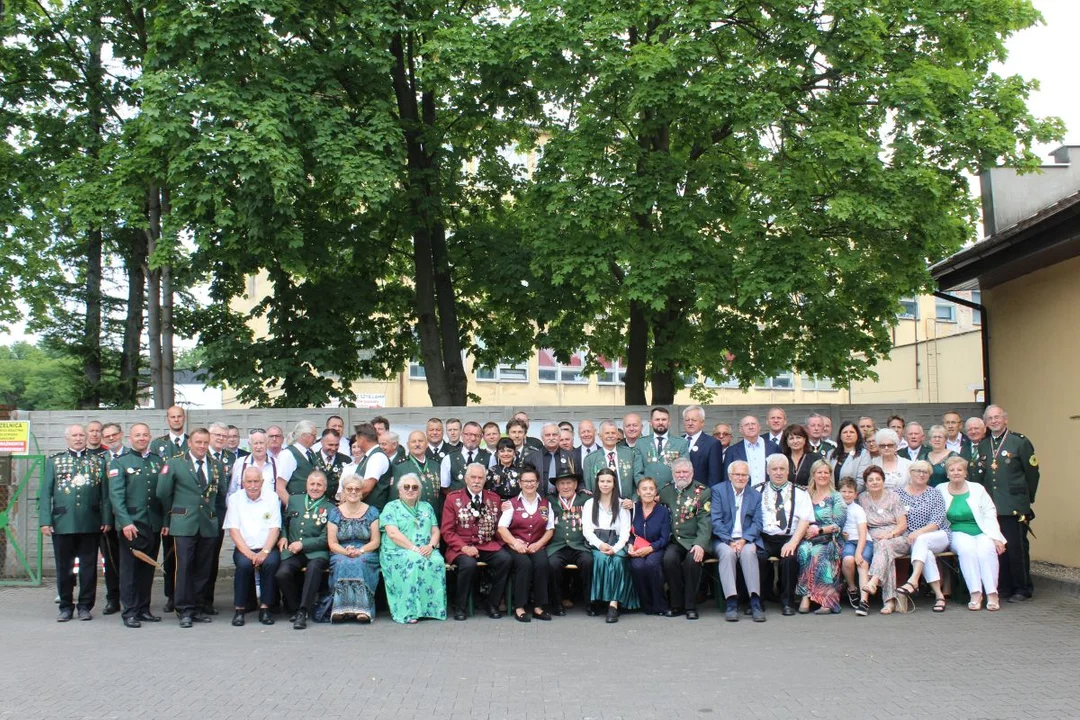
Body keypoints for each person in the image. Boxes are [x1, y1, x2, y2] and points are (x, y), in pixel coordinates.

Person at [157, 428, 227, 628]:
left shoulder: (216, 465)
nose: (202, 446)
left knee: (203, 569)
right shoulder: (175, 463)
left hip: (208, 523)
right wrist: (172, 515)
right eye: (198, 442)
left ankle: (196, 607)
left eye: (205, 442)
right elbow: (163, 493)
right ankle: (184, 609)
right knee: (185, 568)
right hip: (184, 523)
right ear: (190, 443)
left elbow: (220, 494)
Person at [40, 424, 110, 622]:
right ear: (67, 438)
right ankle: (65, 606)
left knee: (88, 568)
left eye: (82, 435)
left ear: (87, 437)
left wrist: (106, 519)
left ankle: (85, 606)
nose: (79, 438)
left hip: (90, 522)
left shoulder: (97, 461)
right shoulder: (55, 461)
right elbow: (45, 494)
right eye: (75, 435)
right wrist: (45, 520)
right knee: (64, 567)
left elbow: (105, 495)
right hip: (63, 523)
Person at [973, 404, 1038, 603]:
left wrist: (1026, 500)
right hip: (992, 507)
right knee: (998, 549)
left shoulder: (1020, 442)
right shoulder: (983, 445)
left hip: (1013, 505)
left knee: (1017, 549)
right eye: (990, 418)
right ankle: (1004, 587)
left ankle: (1023, 587)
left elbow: (1032, 474)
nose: (994, 421)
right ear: (986, 422)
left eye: (997, 417)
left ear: (1005, 419)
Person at [108, 423, 165, 628]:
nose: (141, 438)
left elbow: (163, 496)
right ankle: (130, 612)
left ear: (150, 437)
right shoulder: (120, 463)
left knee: (147, 569)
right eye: (137, 435)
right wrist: (125, 523)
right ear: (129, 438)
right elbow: (116, 497)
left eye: (145, 435)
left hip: (153, 524)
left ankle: (143, 609)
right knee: (129, 571)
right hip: (131, 526)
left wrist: (164, 522)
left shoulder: (158, 462)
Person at [441, 463, 512, 621]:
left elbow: (499, 526)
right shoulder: (453, 499)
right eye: (473, 477)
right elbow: (447, 531)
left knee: (505, 559)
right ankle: (460, 606)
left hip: (487, 544)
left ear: (485, 480)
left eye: (480, 478)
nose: (476, 481)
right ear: (466, 478)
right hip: (460, 546)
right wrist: (464, 547)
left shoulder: (494, 499)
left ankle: (492, 603)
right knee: (468, 565)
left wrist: (506, 544)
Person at [939, 456, 1006, 611]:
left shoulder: (977, 489)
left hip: (981, 530)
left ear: (965, 473)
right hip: (956, 531)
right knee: (967, 551)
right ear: (947, 474)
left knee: (986, 551)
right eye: (952, 470)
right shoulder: (940, 489)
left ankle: (992, 593)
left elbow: (990, 513)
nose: (956, 473)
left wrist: (996, 538)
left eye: (959, 469)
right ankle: (975, 593)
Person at [380, 474, 447, 624]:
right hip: (397, 550)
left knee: (437, 560)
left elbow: (435, 531)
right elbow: (392, 533)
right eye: (406, 487)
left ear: (419, 491)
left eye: (414, 487)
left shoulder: (427, 507)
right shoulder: (391, 507)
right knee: (414, 559)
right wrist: (414, 548)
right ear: (399, 490)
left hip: (425, 548)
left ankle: (432, 609)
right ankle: (409, 611)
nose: (410, 490)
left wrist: (430, 546)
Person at [223, 466, 281, 627]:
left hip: (267, 547)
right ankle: (239, 609)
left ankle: (265, 608)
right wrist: (248, 553)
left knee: (270, 563)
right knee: (243, 565)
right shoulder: (235, 499)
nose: (253, 485)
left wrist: (265, 551)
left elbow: (274, 528)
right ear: (243, 483)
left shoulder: (272, 497)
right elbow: (233, 530)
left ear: (262, 482)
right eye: (249, 481)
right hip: (245, 548)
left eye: (256, 481)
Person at [757, 454, 813, 616]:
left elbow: (805, 520)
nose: (778, 472)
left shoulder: (800, 493)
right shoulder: (757, 490)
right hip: (764, 537)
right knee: (757, 557)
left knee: (790, 559)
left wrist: (793, 542)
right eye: (774, 469)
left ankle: (787, 602)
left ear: (788, 471)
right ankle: (758, 601)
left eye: (782, 469)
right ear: (768, 471)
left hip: (789, 538)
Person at [497, 467, 555, 622]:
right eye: (525, 481)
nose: (529, 484)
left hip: (536, 544)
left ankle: (538, 606)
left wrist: (539, 544)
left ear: (537, 483)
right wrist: (515, 543)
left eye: (532, 481)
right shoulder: (511, 504)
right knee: (524, 565)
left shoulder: (545, 504)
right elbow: (502, 528)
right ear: (520, 483)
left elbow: (550, 529)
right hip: (515, 545)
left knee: (542, 563)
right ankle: (520, 606)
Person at [275, 471, 332, 630]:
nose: (315, 488)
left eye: (319, 485)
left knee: (313, 569)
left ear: (325, 488)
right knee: (282, 573)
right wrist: (284, 536)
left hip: (317, 552)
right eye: (312, 484)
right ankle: (294, 607)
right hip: (294, 551)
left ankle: (302, 611)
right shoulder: (295, 500)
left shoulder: (330, 507)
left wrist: (303, 544)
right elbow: (284, 522)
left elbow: (326, 538)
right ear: (306, 485)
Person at [710, 461, 766, 622]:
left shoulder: (755, 495)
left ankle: (755, 601)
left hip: (746, 539)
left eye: (744, 475)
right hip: (723, 539)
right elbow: (716, 520)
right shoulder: (718, 491)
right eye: (737, 474)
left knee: (749, 552)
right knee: (728, 554)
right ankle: (731, 602)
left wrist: (744, 540)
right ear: (730, 476)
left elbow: (757, 523)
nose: (741, 478)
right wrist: (729, 540)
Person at [582, 468, 638, 622]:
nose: (605, 484)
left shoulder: (621, 504)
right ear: (597, 483)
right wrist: (600, 545)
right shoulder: (589, 503)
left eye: (608, 481)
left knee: (618, 560)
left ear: (614, 484)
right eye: (602, 481)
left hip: (617, 541)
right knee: (601, 559)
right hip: (596, 541)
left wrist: (616, 548)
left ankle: (613, 604)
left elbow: (626, 530)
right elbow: (587, 530)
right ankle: (598, 600)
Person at [896, 460, 952, 613]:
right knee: (925, 553)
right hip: (913, 540)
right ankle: (939, 596)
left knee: (922, 541)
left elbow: (937, 522)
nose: (921, 474)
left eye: (925, 472)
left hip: (938, 535)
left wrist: (918, 532)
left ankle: (913, 579)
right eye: (918, 471)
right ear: (910, 473)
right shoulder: (898, 494)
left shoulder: (934, 493)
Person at [659, 458, 710, 619]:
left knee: (692, 562)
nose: (681, 475)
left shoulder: (702, 492)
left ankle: (690, 606)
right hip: (674, 541)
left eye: (685, 472)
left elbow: (705, 521)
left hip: (694, 540)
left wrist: (700, 544)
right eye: (678, 472)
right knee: (668, 560)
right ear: (673, 474)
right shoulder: (665, 491)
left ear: (692, 473)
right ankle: (676, 604)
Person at [327, 474, 381, 622]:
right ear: (343, 491)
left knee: (359, 562)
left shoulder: (372, 512)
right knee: (342, 562)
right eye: (349, 488)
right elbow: (332, 543)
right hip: (341, 550)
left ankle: (364, 610)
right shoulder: (335, 513)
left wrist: (360, 551)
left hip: (366, 550)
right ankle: (340, 609)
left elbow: (375, 541)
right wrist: (345, 552)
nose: (353, 492)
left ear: (362, 492)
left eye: (357, 489)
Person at [856, 465, 909, 616]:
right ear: (866, 483)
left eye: (878, 479)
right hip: (874, 540)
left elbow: (902, 524)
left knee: (885, 546)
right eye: (870, 480)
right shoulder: (862, 498)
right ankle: (889, 601)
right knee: (885, 552)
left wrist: (890, 534)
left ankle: (873, 582)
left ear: (883, 481)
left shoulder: (893, 497)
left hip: (897, 538)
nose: (874, 482)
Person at [796, 460, 847, 614]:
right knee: (803, 550)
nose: (823, 475)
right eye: (819, 472)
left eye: (826, 472)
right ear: (813, 474)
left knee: (818, 553)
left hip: (830, 539)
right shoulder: (806, 494)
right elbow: (798, 517)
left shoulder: (836, 497)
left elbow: (839, 524)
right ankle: (806, 595)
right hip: (808, 538)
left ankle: (826, 601)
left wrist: (819, 530)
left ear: (830, 475)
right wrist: (804, 531)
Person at [152, 405, 188, 613]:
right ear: (167, 420)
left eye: (179, 416)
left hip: (187, 507)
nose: (176, 420)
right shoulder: (158, 445)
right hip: (166, 508)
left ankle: (186, 594)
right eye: (172, 417)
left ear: (184, 418)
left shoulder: (193, 442)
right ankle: (171, 596)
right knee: (169, 555)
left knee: (186, 556)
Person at [547, 471, 594, 615]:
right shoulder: (549, 500)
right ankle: (557, 603)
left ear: (575, 485)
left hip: (580, 545)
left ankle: (590, 603)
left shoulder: (586, 499)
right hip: (557, 546)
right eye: (562, 483)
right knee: (552, 565)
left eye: (569, 483)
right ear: (556, 486)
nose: (565, 487)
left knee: (588, 562)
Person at [627, 477, 672, 616]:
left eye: (651, 489)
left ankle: (660, 605)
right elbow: (627, 533)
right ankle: (646, 605)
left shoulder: (663, 511)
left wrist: (651, 548)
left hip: (656, 547)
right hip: (637, 547)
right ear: (638, 492)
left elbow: (665, 538)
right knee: (637, 566)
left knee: (652, 564)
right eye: (644, 489)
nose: (648, 492)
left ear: (656, 492)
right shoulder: (633, 509)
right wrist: (629, 546)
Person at [99, 422, 126, 616]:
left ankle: (130, 598)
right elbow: (101, 494)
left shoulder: (132, 457)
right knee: (111, 561)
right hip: (108, 521)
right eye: (107, 436)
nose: (111, 439)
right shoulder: (100, 460)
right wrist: (105, 519)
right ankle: (113, 599)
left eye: (114, 435)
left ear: (121, 435)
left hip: (129, 520)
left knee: (129, 561)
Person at [583, 420, 644, 499]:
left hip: (627, 504)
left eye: (613, 433)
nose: (610, 436)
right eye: (607, 433)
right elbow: (589, 488)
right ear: (599, 435)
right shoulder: (590, 459)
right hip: (602, 506)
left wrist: (633, 501)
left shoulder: (630, 454)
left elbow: (638, 480)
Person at [838, 477, 871, 610]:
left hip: (863, 541)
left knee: (862, 563)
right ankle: (852, 588)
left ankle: (864, 600)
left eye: (850, 492)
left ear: (855, 494)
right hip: (848, 542)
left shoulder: (857, 509)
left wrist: (859, 552)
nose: (847, 494)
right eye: (844, 491)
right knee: (848, 560)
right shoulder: (837, 508)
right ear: (838, 492)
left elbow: (863, 533)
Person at [344, 423, 393, 511]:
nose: (357, 443)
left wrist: (347, 504)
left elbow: (367, 487)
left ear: (362, 439)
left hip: (372, 512)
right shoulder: (370, 455)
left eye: (357, 439)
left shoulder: (377, 457)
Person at [638, 407, 688, 491]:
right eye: (657, 419)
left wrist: (668, 492)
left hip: (672, 493)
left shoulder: (681, 443)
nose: (660, 422)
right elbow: (638, 472)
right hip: (647, 494)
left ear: (669, 422)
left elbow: (684, 471)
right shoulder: (641, 443)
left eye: (664, 419)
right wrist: (646, 490)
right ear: (651, 422)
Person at [391, 430, 442, 510]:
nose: (417, 444)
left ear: (427, 444)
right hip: (409, 516)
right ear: (408, 445)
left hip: (434, 516)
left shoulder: (436, 465)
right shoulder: (400, 466)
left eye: (420, 441)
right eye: (413, 442)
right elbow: (394, 497)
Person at [722, 415, 780, 486]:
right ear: (740, 429)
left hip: (769, 492)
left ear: (759, 427)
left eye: (753, 424)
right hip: (743, 494)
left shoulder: (774, 447)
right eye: (747, 425)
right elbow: (727, 477)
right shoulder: (732, 451)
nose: (751, 427)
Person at [441, 421, 492, 492]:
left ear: (481, 437)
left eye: (477, 435)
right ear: (462, 435)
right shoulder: (449, 458)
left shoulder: (489, 457)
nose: (473, 438)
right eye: (469, 434)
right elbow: (445, 487)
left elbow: (492, 486)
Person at [276, 420, 319, 503]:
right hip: (296, 506)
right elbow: (280, 487)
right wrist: (292, 507)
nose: (315, 439)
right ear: (303, 435)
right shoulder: (287, 454)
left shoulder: (311, 453)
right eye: (313, 435)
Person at [682, 405, 724, 487]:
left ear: (702, 423)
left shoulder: (712, 443)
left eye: (694, 420)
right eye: (687, 420)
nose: (690, 423)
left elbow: (715, 476)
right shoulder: (678, 441)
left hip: (701, 493)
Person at [229, 430, 278, 498]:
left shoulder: (277, 464)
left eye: (261, 443)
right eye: (255, 443)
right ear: (250, 444)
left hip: (270, 507)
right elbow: (231, 492)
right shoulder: (240, 463)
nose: (258, 447)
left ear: (267, 443)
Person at [536, 422, 576, 493]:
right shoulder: (531, 458)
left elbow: (579, 479)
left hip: (563, 500)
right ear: (542, 438)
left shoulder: (571, 456)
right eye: (548, 435)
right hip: (540, 500)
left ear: (559, 436)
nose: (551, 438)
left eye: (554, 435)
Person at [780, 424, 821, 488]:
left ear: (805, 439)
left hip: (810, 495)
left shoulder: (815, 458)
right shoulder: (782, 459)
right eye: (791, 438)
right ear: (787, 442)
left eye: (798, 437)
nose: (795, 441)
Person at [832, 420, 871, 489]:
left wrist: (847, 494)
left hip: (853, 496)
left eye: (852, 432)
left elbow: (861, 481)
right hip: (833, 496)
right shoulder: (832, 453)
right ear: (840, 436)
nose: (848, 435)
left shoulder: (864, 454)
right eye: (845, 432)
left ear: (857, 435)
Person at [315, 429, 350, 502]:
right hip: (316, 504)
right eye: (330, 445)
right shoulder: (312, 459)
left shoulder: (346, 460)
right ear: (322, 442)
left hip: (338, 505)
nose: (333, 448)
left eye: (336, 445)